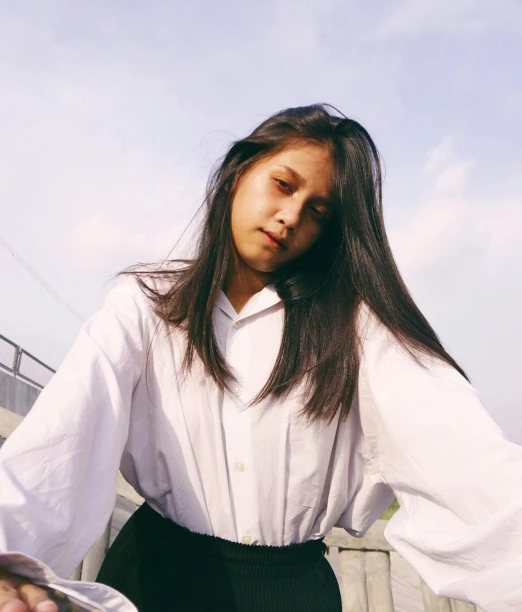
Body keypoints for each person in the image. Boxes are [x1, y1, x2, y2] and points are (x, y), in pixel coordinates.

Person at [0, 104, 521, 612]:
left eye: (319, 211)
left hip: (291, 592)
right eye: (284, 185)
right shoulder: (147, 305)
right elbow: (64, 430)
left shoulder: (359, 330)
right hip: (152, 577)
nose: (291, 216)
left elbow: (463, 452)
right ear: (237, 173)